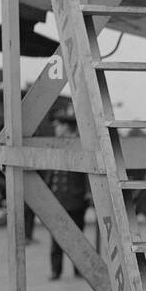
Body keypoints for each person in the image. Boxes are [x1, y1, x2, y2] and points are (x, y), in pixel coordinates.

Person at [47, 108, 90, 280]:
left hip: (76, 199)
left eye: (59, 126)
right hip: (58, 199)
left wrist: (88, 194)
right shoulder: (56, 145)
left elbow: (87, 173)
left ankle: (79, 270)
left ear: (67, 127)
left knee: (77, 238)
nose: (56, 129)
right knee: (56, 238)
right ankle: (55, 271)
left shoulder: (79, 146)